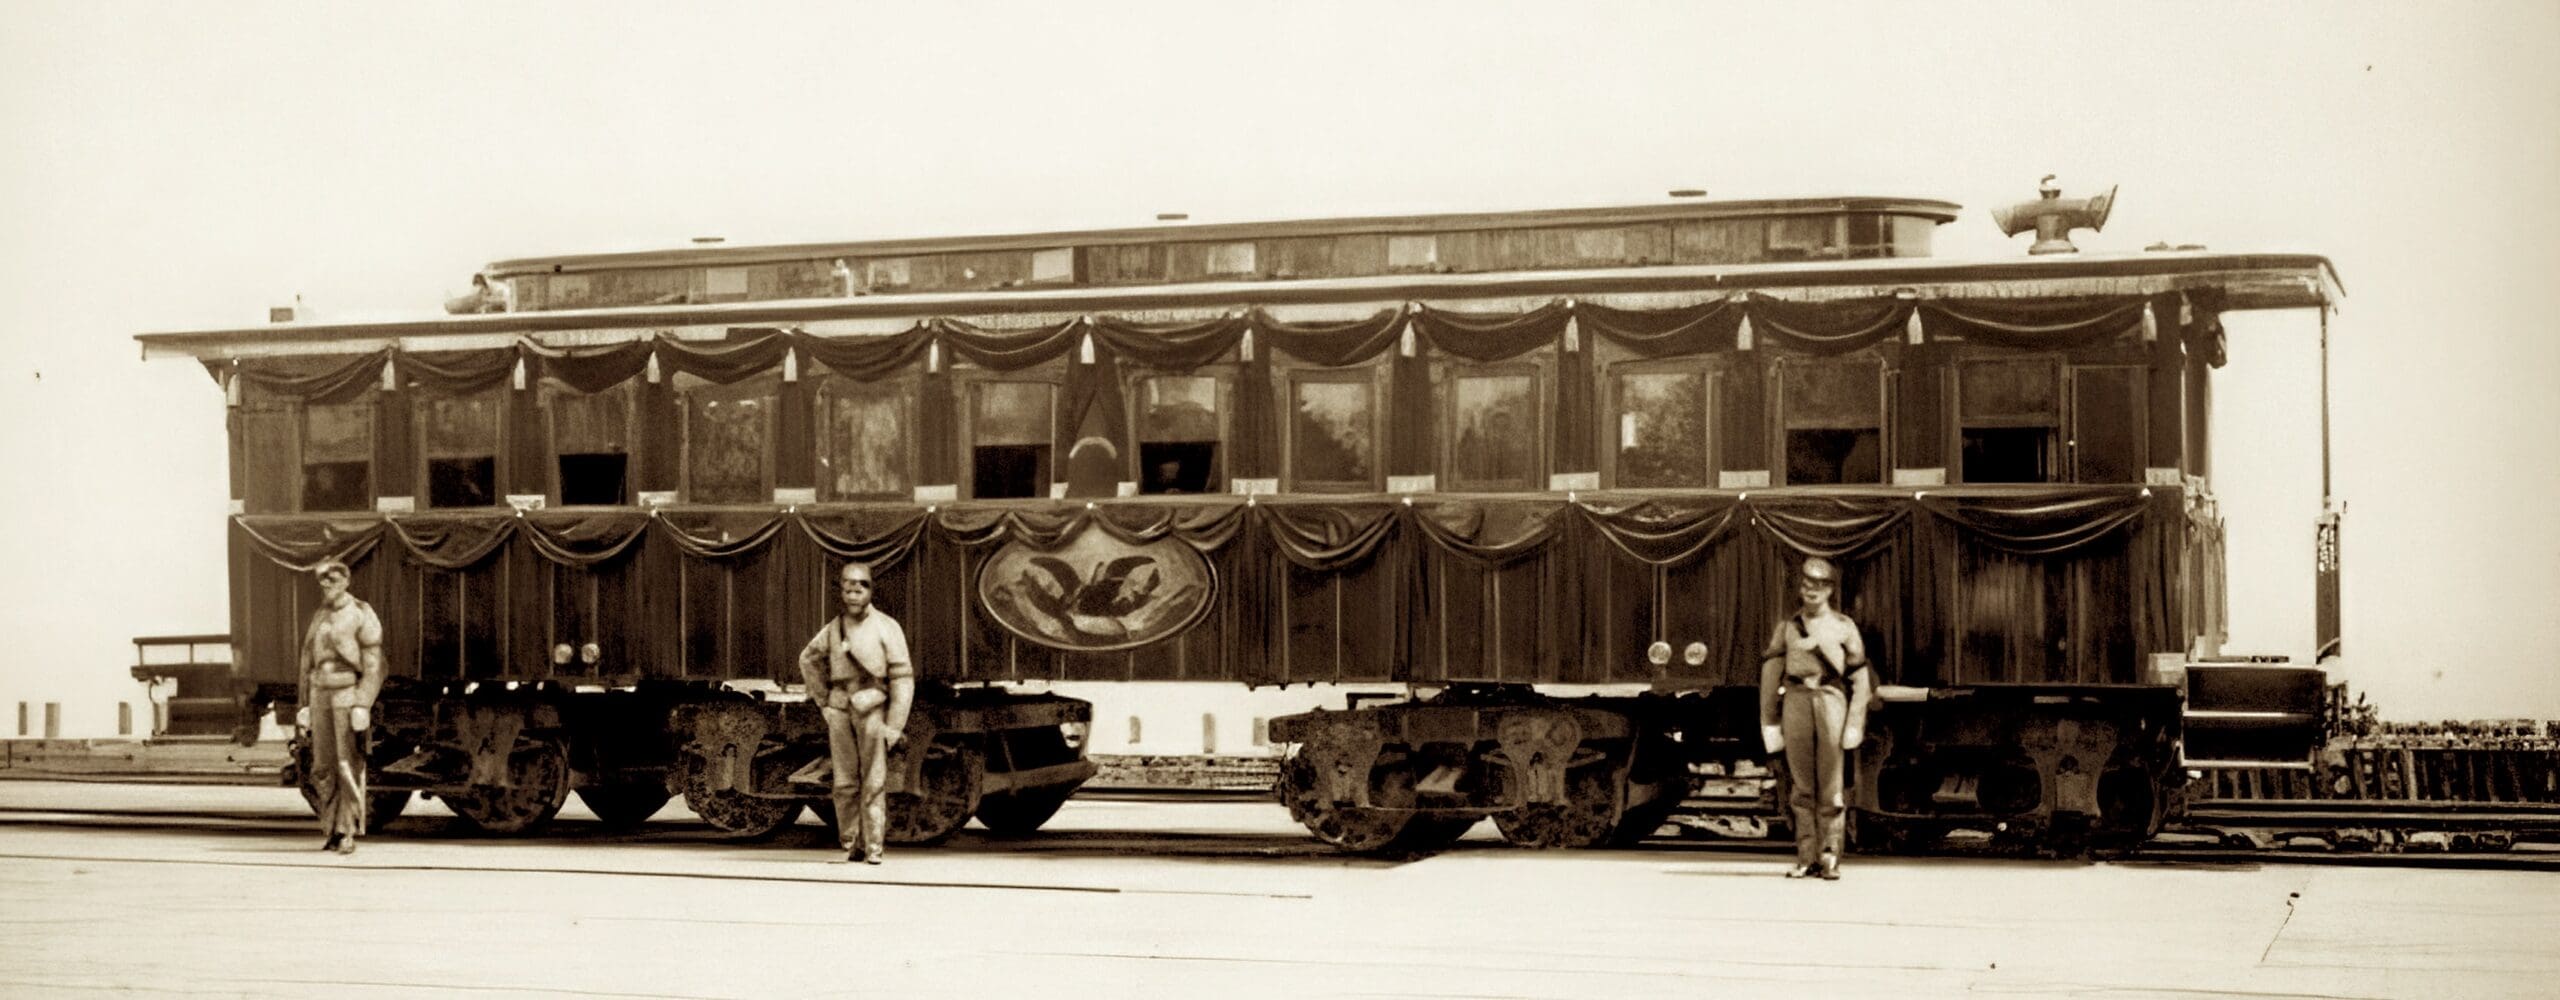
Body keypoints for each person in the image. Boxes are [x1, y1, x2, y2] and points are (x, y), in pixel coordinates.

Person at [1757, 556, 1875, 880]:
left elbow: (1859, 677)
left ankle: (1830, 857)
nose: (1811, 591)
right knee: (1802, 787)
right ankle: (1806, 856)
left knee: (1832, 786)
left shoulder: (1843, 626)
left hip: (1831, 701)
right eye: (1807, 585)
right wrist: (1769, 721)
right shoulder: (1788, 628)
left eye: (1819, 586)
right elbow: (1771, 672)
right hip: (1796, 701)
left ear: (1830, 590)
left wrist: (1854, 723)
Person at [797, 561, 917, 864]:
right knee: (844, 782)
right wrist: (823, 700)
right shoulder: (834, 629)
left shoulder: (887, 628)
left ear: (869, 590)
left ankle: (874, 846)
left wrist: (894, 724)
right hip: (839, 708)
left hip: (873, 708)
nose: (853, 593)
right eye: (847, 587)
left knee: (874, 780)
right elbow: (808, 659)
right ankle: (852, 842)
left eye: (859, 586)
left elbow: (902, 677)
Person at [295, 559, 384, 854]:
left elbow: (374, 664)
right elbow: (307, 661)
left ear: (346, 581)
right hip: (319, 692)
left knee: (348, 764)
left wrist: (363, 703)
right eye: (322, 580)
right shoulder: (320, 616)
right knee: (322, 766)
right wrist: (304, 703)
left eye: (332, 579)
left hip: (346, 692)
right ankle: (331, 828)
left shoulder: (361, 613)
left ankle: (348, 831)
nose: (326, 585)